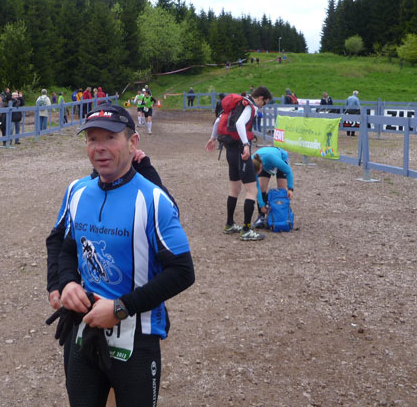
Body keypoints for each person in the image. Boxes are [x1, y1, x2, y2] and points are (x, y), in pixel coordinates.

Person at [56, 103, 195, 406]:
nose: (100, 148)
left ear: (133, 143)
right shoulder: (77, 192)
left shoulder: (154, 199)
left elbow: (183, 272)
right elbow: (66, 249)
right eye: (93, 139)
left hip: (137, 337)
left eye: (110, 138)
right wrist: (66, 283)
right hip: (83, 328)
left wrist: (121, 308)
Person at [205, 86, 273, 241]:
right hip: (241, 151)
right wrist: (246, 144)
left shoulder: (237, 105)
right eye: (264, 103)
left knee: (234, 189)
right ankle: (246, 230)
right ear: (260, 98)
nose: (263, 106)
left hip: (229, 150)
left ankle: (229, 224)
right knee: (252, 190)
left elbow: (218, 120)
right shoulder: (250, 107)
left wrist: (213, 138)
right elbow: (240, 124)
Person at [250, 147, 294, 229]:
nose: (257, 174)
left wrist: (290, 189)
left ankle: (281, 217)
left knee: (281, 190)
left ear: (260, 167)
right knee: (262, 187)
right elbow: (257, 188)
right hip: (264, 162)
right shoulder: (252, 163)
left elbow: (288, 171)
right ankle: (261, 217)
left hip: (280, 158)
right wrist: (262, 205)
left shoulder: (273, 159)